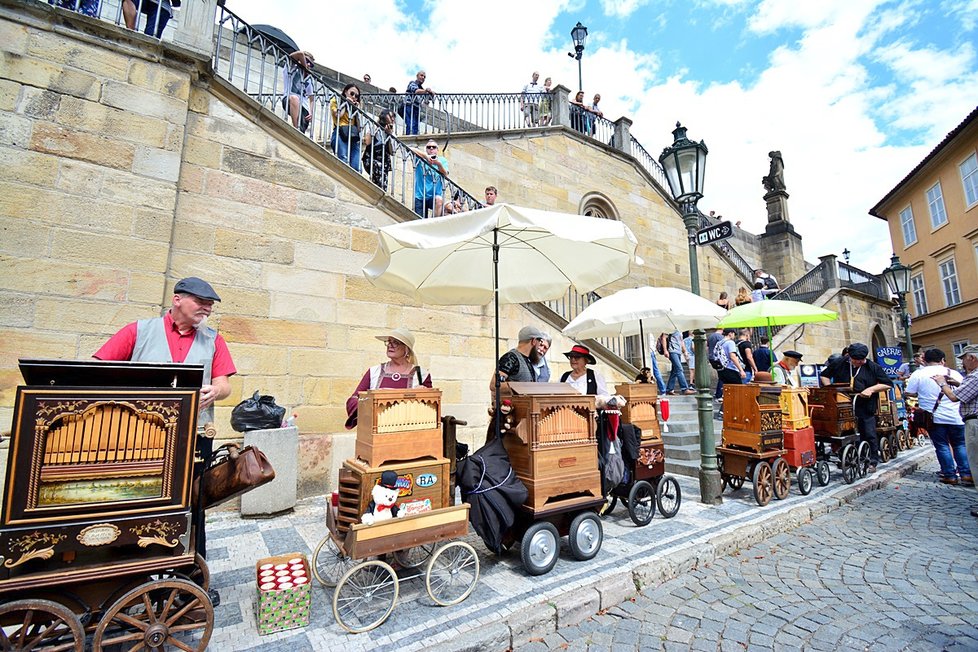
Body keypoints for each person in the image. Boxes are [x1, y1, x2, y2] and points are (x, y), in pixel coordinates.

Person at [93, 277, 236, 606]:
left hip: (194, 438)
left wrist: (216, 391)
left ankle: (191, 580)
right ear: (177, 300)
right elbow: (100, 369)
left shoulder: (214, 339)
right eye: (201, 301)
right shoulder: (138, 331)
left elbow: (224, 383)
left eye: (210, 304)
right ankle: (132, 582)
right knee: (138, 508)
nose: (208, 308)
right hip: (139, 440)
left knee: (191, 509)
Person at [819, 342, 892, 473]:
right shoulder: (840, 363)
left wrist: (871, 389)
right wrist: (830, 389)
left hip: (865, 405)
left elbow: (887, 384)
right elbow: (824, 375)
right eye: (858, 360)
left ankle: (871, 461)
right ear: (850, 357)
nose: (861, 362)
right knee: (845, 434)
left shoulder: (872, 366)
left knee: (868, 433)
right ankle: (846, 458)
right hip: (844, 405)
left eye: (863, 359)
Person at [906, 348, 970, 485]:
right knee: (960, 445)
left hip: (934, 417)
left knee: (942, 446)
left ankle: (950, 475)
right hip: (956, 416)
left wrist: (923, 395)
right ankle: (966, 473)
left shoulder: (918, 374)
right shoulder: (954, 373)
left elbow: (909, 393)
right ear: (942, 360)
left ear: (924, 360)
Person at [346, 327, 432, 428]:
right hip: (377, 432)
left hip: (408, 432)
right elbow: (354, 399)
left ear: (406, 349)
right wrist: (372, 401)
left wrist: (422, 395)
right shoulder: (374, 371)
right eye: (389, 341)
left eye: (395, 342)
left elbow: (430, 408)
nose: (390, 345)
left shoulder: (421, 375)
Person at [930, 345, 978, 510]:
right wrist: (957, 382)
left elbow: (953, 397)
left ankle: (951, 474)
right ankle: (964, 475)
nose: (963, 362)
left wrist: (942, 383)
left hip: (973, 422)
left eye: (964, 358)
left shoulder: (975, 376)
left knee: (975, 461)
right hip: (962, 420)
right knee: (960, 446)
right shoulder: (970, 377)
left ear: (972, 358)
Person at [410, 140, 448, 218]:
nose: (431, 148)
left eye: (433, 147)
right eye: (428, 147)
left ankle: (433, 224)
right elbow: (410, 148)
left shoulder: (442, 160)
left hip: (433, 196)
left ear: (437, 150)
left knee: (439, 200)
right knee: (419, 221)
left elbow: (445, 174)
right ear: (426, 149)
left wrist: (438, 164)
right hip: (420, 196)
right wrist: (425, 156)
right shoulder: (420, 158)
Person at [330, 83, 362, 172]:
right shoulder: (335, 100)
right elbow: (338, 115)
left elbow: (359, 128)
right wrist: (345, 103)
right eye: (352, 94)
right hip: (340, 133)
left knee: (357, 168)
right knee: (343, 160)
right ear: (345, 92)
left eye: (356, 96)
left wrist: (356, 111)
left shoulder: (354, 107)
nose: (354, 97)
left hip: (353, 136)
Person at [282, 51, 315, 134]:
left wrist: (311, 112)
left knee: (302, 130)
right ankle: (295, 129)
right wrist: (305, 67)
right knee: (294, 98)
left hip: (304, 107)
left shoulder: (308, 78)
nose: (308, 65)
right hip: (289, 99)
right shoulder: (291, 67)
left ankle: (298, 132)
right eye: (307, 61)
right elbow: (299, 54)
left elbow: (312, 98)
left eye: (311, 65)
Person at [362, 109, 395, 191]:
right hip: (371, 159)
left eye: (393, 117)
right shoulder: (375, 127)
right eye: (390, 116)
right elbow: (367, 141)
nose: (392, 119)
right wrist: (377, 126)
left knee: (382, 183)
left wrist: (389, 135)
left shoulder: (392, 132)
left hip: (384, 162)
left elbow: (392, 152)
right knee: (379, 170)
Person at [662, 330, 695, 395]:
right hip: (672, 351)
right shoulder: (669, 328)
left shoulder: (679, 330)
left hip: (678, 352)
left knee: (674, 371)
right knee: (679, 369)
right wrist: (665, 350)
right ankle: (684, 389)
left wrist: (685, 351)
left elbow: (681, 341)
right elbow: (664, 338)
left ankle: (669, 389)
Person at [404, 71, 434, 136]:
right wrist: (426, 91)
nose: (423, 77)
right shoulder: (412, 83)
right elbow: (416, 91)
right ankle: (410, 138)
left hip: (417, 108)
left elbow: (430, 98)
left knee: (415, 125)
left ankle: (414, 137)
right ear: (417, 76)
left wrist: (431, 93)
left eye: (424, 77)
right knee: (410, 124)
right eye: (421, 75)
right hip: (409, 106)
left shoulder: (422, 89)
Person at [707, 327, 725, 400]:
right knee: (723, 376)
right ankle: (719, 394)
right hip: (718, 358)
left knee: (721, 376)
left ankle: (718, 392)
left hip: (711, 357)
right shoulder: (720, 337)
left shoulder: (710, 336)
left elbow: (707, 347)